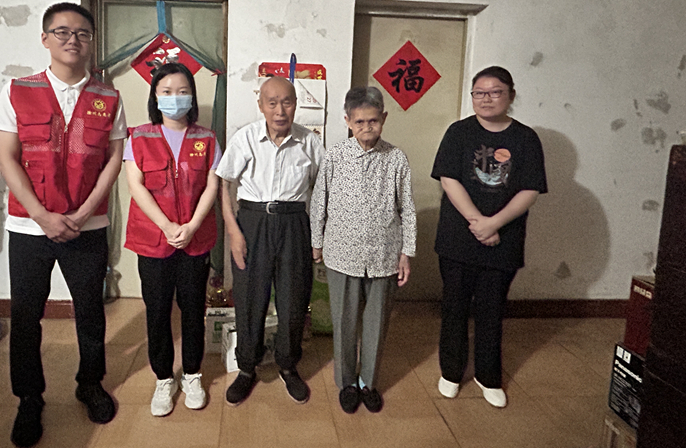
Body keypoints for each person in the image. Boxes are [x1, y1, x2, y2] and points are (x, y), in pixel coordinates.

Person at [0, 2, 126, 447]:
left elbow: (113, 160)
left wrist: (85, 213)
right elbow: (7, 157)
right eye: (63, 31)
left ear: (91, 42)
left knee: (90, 310)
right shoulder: (17, 91)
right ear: (45, 38)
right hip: (30, 227)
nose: (73, 40)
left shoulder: (109, 97)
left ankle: (90, 383)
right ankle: (29, 398)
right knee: (26, 316)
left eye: (83, 33)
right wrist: (41, 215)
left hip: (88, 225)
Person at [432, 65, 547, 408]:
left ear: (511, 95)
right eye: (479, 93)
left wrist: (494, 223)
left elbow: (530, 189)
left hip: (504, 239)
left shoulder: (526, 139)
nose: (486, 98)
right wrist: (477, 222)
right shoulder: (459, 132)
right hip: (458, 238)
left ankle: (488, 375)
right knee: (454, 307)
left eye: (495, 92)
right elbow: (448, 178)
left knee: (492, 310)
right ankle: (451, 372)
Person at [216, 76, 324, 406]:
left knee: (293, 299)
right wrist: (233, 231)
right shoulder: (245, 138)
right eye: (272, 102)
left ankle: (288, 365)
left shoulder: (309, 142)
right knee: (250, 297)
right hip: (252, 221)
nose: (280, 110)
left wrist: (318, 235)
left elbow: (322, 190)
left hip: (294, 222)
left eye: (287, 102)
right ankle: (247, 367)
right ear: (261, 105)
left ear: (296, 105)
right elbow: (225, 184)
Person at [310, 86, 416, 414]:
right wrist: (316, 242)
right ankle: (346, 382)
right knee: (344, 322)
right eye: (359, 122)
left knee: (377, 323)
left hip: (384, 255)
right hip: (342, 254)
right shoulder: (335, 156)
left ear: (383, 118)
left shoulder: (396, 158)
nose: (367, 127)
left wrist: (407, 252)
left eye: (373, 120)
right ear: (347, 121)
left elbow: (407, 208)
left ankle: (368, 381)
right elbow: (319, 200)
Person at [123, 61, 220, 417]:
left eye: (182, 91)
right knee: (157, 311)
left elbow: (212, 184)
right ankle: (164, 378)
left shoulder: (207, 138)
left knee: (194, 309)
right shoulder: (139, 137)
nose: (174, 98)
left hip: (195, 239)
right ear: (155, 97)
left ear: (192, 97)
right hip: (153, 239)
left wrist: (191, 226)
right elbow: (135, 186)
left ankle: (192, 374)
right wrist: (166, 225)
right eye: (166, 92)